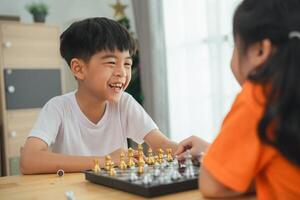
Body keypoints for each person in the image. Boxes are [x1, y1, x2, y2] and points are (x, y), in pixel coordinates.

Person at [175, 0, 300, 199]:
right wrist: (213, 151)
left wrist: (213, 162)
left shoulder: (260, 95)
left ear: (260, 50)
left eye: (235, 45)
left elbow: (212, 185)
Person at [20, 17, 177, 174]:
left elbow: (162, 144)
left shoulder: (124, 103)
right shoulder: (58, 107)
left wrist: (197, 152)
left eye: (127, 64)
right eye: (111, 63)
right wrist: (105, 160)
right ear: (79, 69)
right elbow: (29, 160)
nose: (122, 73)